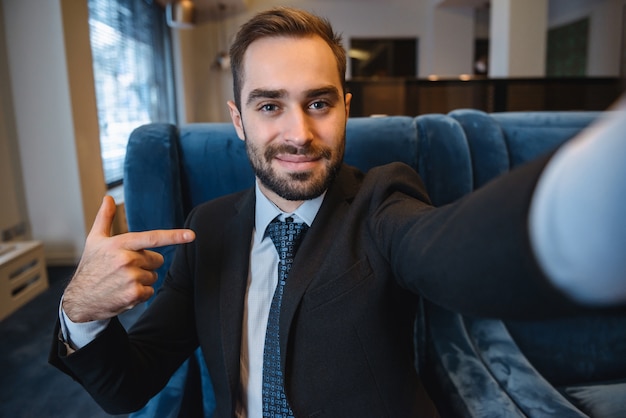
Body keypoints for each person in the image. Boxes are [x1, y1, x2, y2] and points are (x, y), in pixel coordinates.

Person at [50, 7, 626, 418]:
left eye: (319, 103)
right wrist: (80, 310)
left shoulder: (383, 200)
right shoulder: (208, 227)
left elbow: (450, 250)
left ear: (346, 109)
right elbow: (127, 389)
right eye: (270, 105)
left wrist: (588, 197)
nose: (298, 133)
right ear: (238, 119)